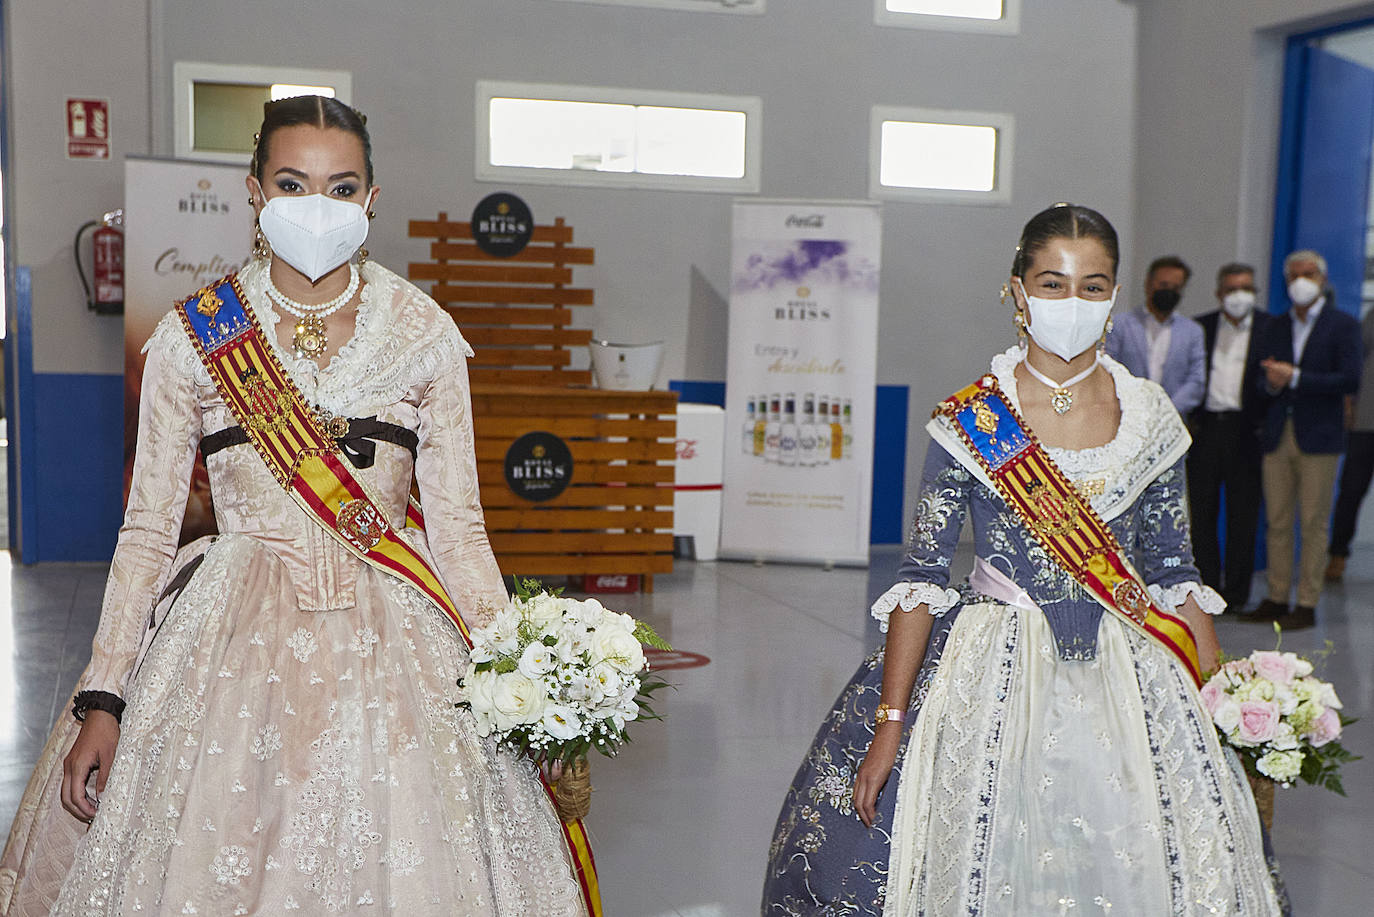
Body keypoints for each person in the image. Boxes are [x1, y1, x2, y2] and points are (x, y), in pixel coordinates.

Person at [0, 96, 593, 916]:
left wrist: (521, 691)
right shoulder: (194, 336)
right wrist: (106, 696)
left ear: (371, 200)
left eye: (340, 186)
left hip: (399, 649)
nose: (318, 204)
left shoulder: (423, 332)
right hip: (226, 643)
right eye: (293, 181)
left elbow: (459, 532)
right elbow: (146, 531)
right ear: (255, 192)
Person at [763, 205, 1285, 916]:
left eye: (1093, 286)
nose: (1073, 303)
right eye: (1053, 283)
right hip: (991, 670)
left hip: (1134, 670)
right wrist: (890, 720)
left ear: (1113, 294)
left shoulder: (1152, 415)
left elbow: (1173, 572)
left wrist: (1223, 699)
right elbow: (919, 578)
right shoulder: (973, 418)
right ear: (1016, 289)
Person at [1245, 250, 1361, 630]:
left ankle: (1307, 602)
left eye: (1308, 274)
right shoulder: (1275, 326)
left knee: (1313, 522)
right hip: (1279, 433)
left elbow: (1349, 379)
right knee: (1277, 520)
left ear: (1322, 280)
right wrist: (1272, 382)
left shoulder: (1342, 325)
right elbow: (1260, 380)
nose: (1300, 281)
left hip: (1320, 437)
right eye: (1294, 274)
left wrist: (1295, 377)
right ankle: (1277, 595)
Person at [1187, 263, 1272, 612]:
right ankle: (1208, 588)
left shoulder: (1269, 328)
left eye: (1247, 288)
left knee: (1243, 515)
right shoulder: (1200, 327)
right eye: (1233, 288)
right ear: (1220, 293)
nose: (1240, 296)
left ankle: (1237, 594)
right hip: (1206, 429)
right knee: (1202, 512)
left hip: (1246, 431)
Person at [1104, 254, 1207, 413]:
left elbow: (1196, 380)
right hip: (1125, 414)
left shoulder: (1193, 331)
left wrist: (1167, 410)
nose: (1168, 292)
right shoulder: (1120, 324)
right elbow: (1108, 368)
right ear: (1148, 284)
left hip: (1173, 419)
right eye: (1163, 285)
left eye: (1175, 288)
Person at [1324, 304, 1374, 582]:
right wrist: (1348, 405)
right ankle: (1338, 554)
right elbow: (1355, 363)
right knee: (1351, 492)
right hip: (1365, 422)